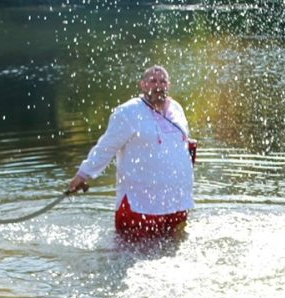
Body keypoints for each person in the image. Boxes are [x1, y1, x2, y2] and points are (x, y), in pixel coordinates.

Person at [68, 65, 195, 241]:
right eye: (152, 81)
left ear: (169, 85)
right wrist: (83, 174)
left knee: (173, 249)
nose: (158, 85)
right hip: (139, 203)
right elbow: (106, 147)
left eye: (163, 81)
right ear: (142, 85)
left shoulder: (177, 109)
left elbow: (182, 145)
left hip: (176, 200)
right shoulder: (128, 112)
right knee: (129, 254)